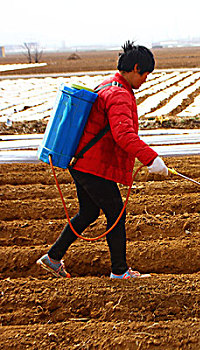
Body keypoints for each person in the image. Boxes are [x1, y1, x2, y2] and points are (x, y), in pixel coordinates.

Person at [37, 41, 168, 279]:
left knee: (88, 212)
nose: (145, 80)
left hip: (81, 162)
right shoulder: (118, 94)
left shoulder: (108, 84)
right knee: (116, 212)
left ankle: (53, 257)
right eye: (145, 75)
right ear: (136, 68)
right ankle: (119, 271)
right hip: (91, 165)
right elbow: (123, 135)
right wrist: (151, 159)